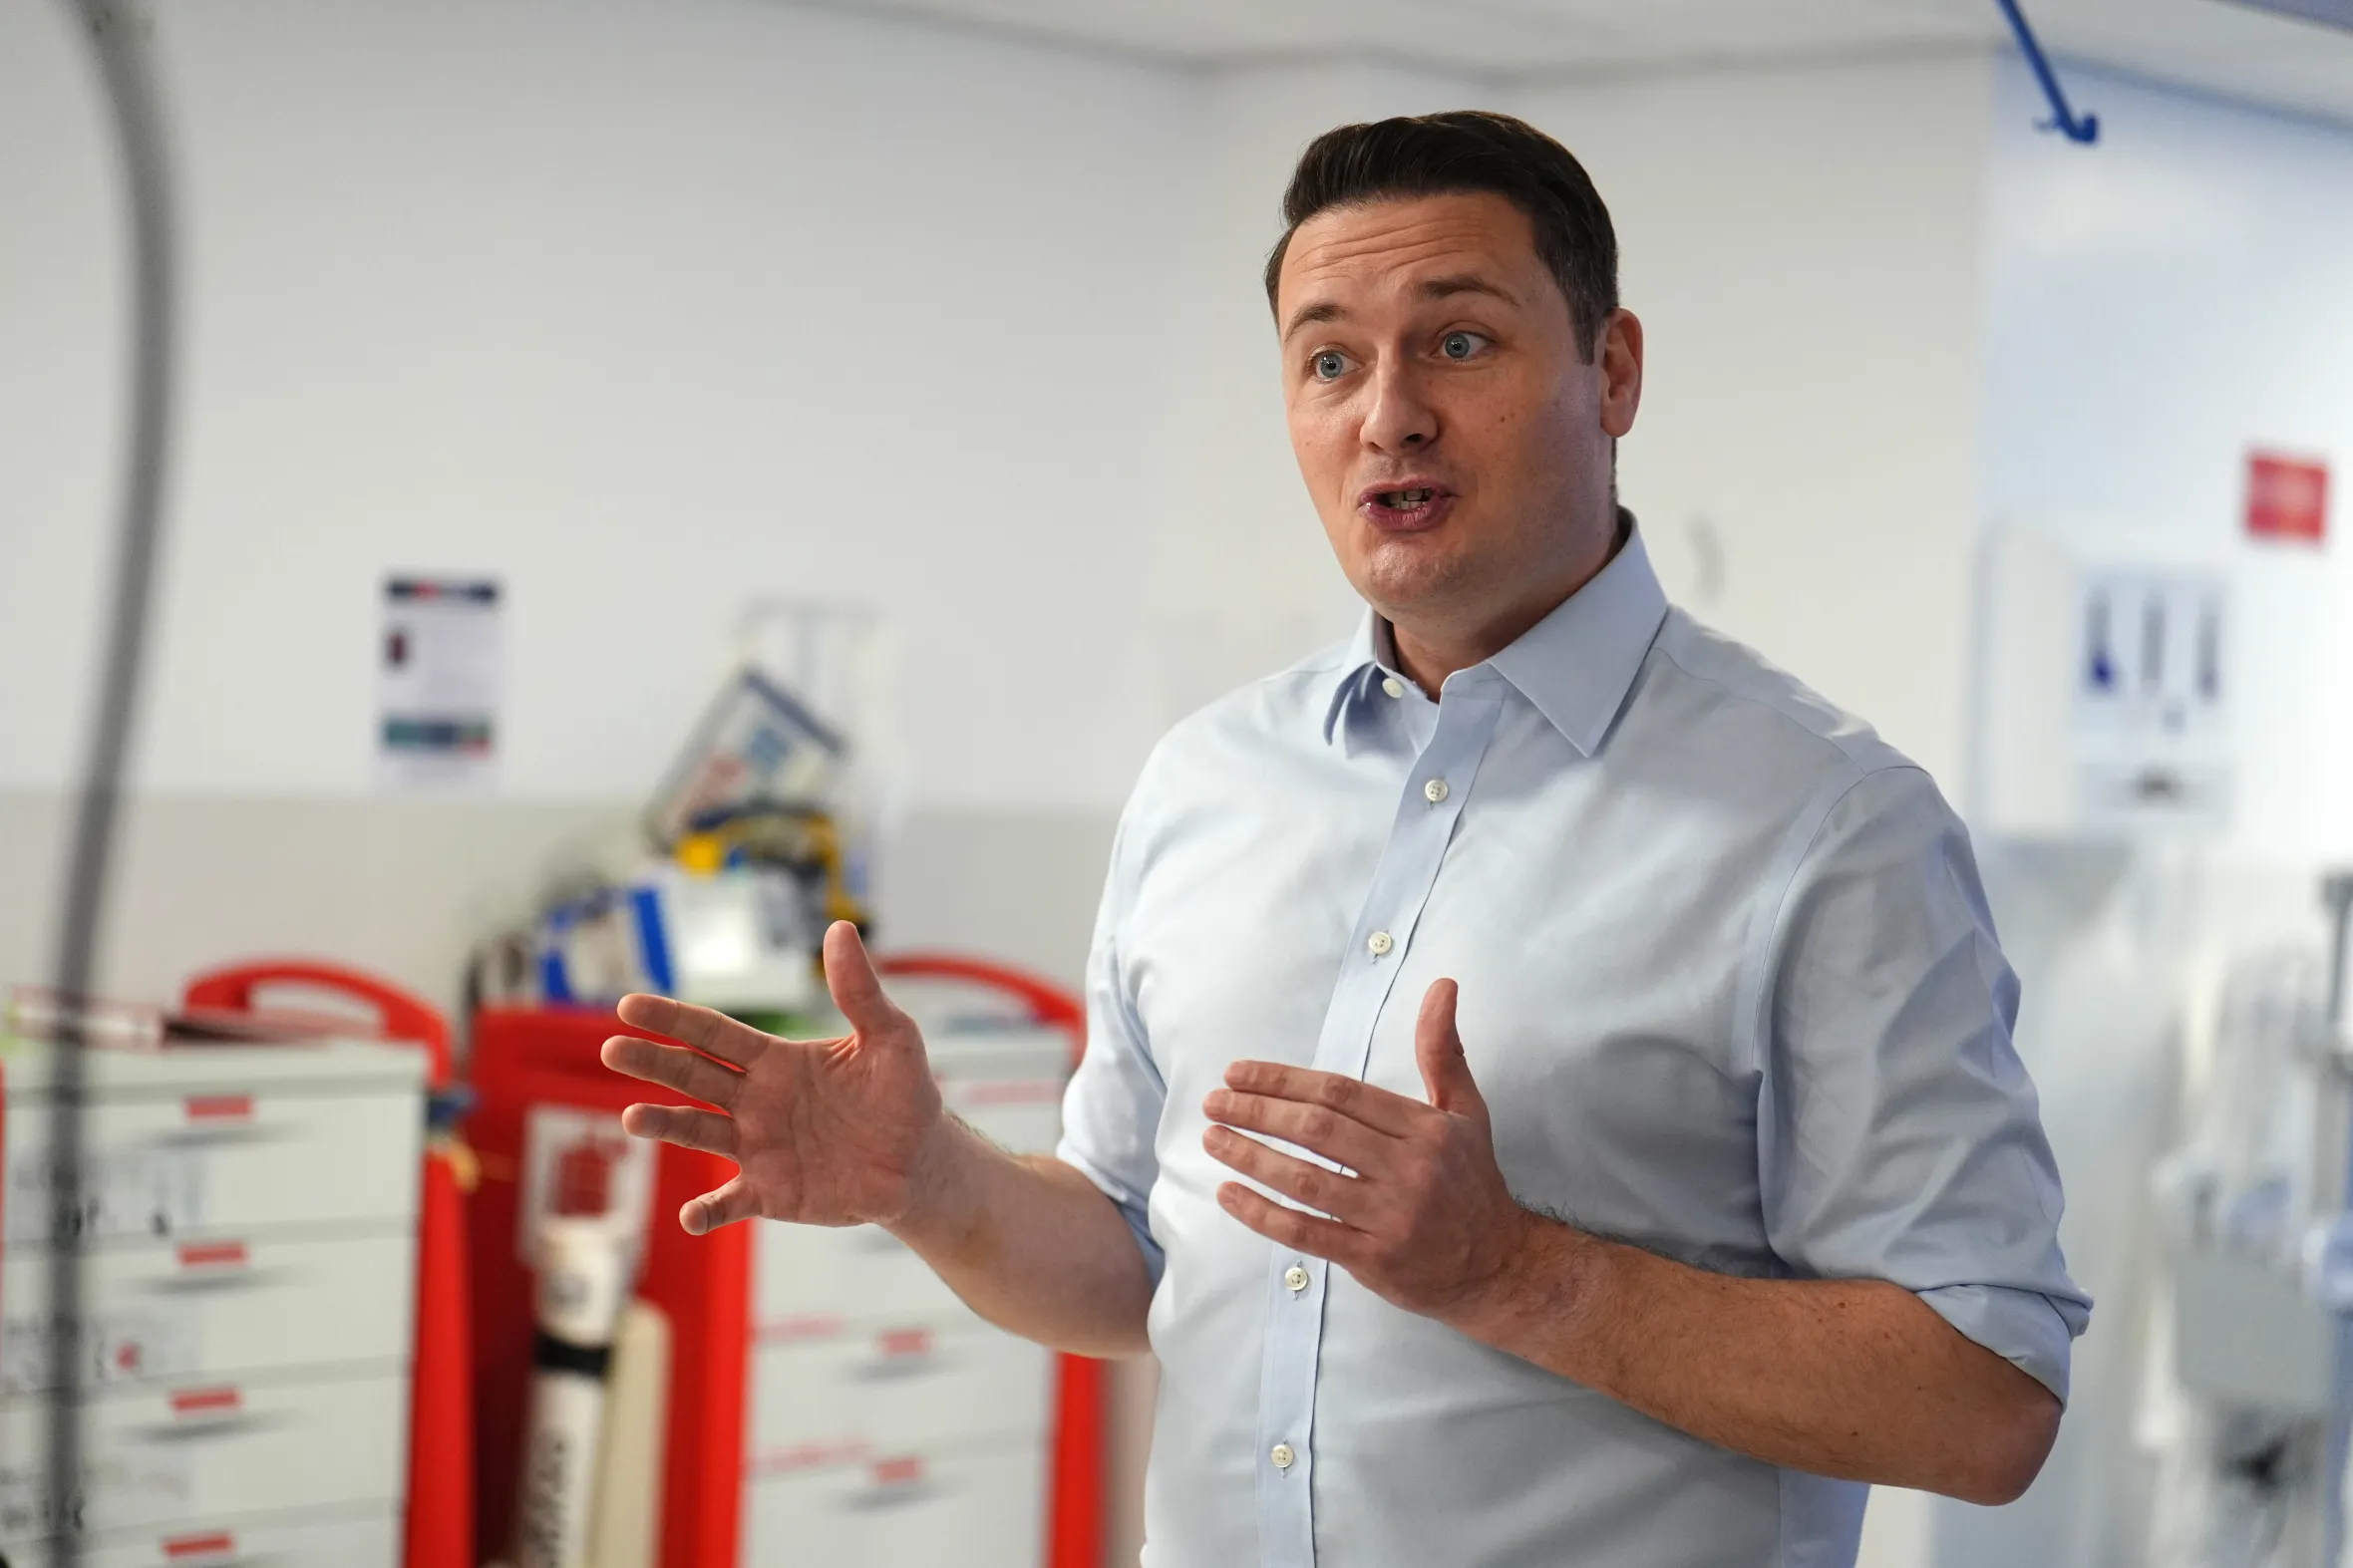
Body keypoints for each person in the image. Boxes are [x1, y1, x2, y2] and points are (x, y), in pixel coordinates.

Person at [604, 110, 2089, 1567]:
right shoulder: (1208, 782)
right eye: (1329, 360)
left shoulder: (1828, 828)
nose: (1388, 416)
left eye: (1457, 342)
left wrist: (1522, 1277)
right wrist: (931, 1181)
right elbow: (1138, 1262)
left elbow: (1985, 1402)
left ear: (1612, 370)